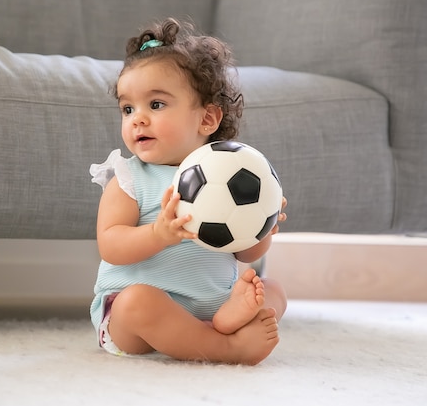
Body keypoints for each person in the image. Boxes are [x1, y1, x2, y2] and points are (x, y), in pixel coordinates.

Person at [89, 18, 288, 365]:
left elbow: (245, 253)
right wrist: (158, 233)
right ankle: (226, 347)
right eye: (127, 108)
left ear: (207, 119)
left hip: (212, 303)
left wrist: (263, 225)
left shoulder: (232, 172)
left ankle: (223, 321)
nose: (137, 118)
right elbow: (110, 244)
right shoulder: (130, 177)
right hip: (135, 321)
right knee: (137, 303)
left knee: (274, 291)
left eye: (155, 105)